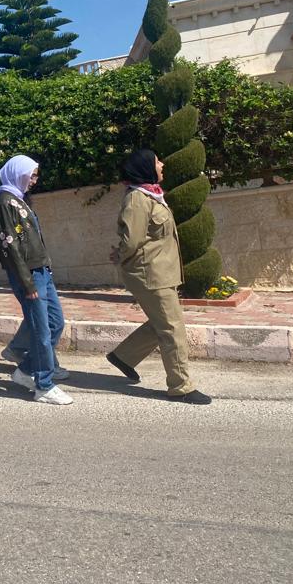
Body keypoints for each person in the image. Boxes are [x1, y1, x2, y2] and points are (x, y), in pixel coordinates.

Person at [106, 149, 212, 405]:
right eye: (157, 161)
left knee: (162, 322)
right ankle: (180, 387)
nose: (162, 164)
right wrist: (119, 254)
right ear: (145, 168)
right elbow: (131, 240)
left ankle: (124, 356)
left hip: (160, 272)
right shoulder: (137, 199)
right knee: (172, 329)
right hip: (150, 274)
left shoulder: (150, 195)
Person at [0, 156, 73, 405]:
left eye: (36, 175)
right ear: (19, 173)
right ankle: (44, 385)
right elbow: (10, 247)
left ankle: (25, 371)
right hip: (29, 275)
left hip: (41, 271)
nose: (34, 180)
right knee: (40, 331)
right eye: (32, 175)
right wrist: (26, 282)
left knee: (55, 323)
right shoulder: (4, 203)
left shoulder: (18, 199)